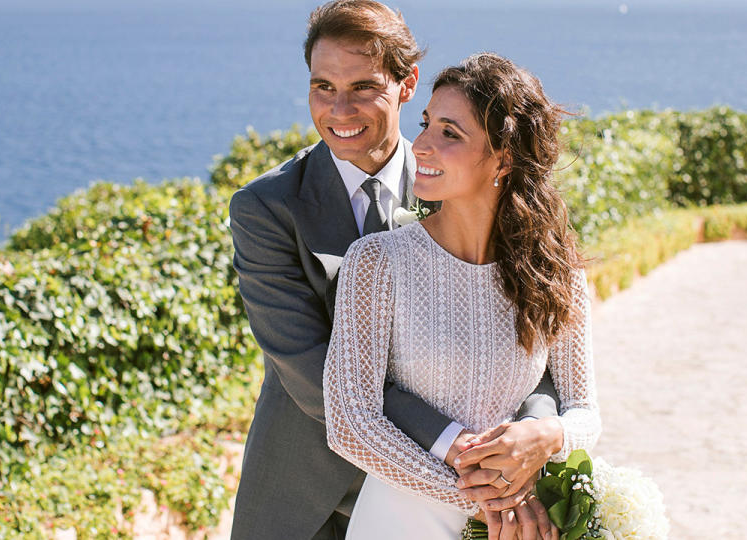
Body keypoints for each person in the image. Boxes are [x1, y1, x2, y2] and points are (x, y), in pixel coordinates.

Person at [228, 2, 564, 539]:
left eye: (362, 87)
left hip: (446, 498)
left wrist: (528, 437)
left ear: (407, 83)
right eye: (322, 87)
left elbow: (532, 340)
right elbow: (308, 365)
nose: (339, 109)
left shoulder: (460, 183)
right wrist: (454, 447)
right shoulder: (266, 208)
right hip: (305, 493)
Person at [323, 53, 602, 539]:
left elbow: (585, 410)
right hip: (406, 517)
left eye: (450, 133)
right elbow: (351, 422)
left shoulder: (555, 270)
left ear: (505, 157)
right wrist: (485, 501)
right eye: (426, 124)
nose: (423, 145)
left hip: (513, 520)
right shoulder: (377, 262)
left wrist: (549, 435)